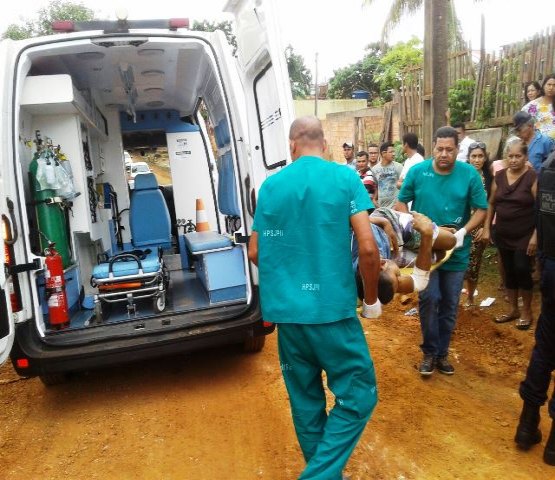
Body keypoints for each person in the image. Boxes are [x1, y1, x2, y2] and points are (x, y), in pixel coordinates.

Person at [248, 116, 381, 479]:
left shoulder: (272, 187)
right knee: (359, 395)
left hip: (290, 320)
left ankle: (324, 473)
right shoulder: (344, 178)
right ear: (324, 145)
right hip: (333, 315)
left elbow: (255, 251)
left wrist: (290, 270)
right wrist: (371, 301)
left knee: (306, 402)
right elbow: (368, 250)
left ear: (292, 146)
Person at [396, 126, 488, 376]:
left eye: (449, 149)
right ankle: (428, 352)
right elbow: (401, 201)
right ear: (433, 147)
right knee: (428, 299)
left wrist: (462, 232)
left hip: (456, 251)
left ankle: (442, 354)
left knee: (449, 305)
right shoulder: (418, 171)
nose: (444, 154)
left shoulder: (469, 175)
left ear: (457, 150)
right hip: (426, 252)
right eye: (439, 149)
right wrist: (410, 225)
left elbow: (481, 208)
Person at [514, 149, 555, 466]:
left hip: (551, 268)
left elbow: (544, 219)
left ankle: (526, 427)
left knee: (545, 346)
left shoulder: (549, 165)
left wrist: (542, 263)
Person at [482, 139, 537, 330]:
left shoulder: (532, 177)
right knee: (509, 271)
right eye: (511, 156)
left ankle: (527, 311)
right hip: (503, 233)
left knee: (522, 268)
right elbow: (491, 203)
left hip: (525, 235)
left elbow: (539, 208)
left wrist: (535, 236)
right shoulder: (499, 176)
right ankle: (513, 309)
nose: (514, 160)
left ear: (525, 157)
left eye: (518, 156)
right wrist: (488, 228)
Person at [352, 210, 457, 305]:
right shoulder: (379, 282)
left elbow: (350, 215)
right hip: (393, 252)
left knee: (450, 241)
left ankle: (436, 231)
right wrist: (427, 234)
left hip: (393, 224)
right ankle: (429, 238)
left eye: (397, 276)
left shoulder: (356, 245)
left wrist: (383, 221)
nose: (401, 279)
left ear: (382, 264)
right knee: (438, 255)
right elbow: (419, 282)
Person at [464, 141, 493, 306]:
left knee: (474, 264)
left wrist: (486, 228)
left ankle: (470, 298)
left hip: (478, 228)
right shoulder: (462, 176)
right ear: (468, 158)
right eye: (473, 156)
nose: (477, 159)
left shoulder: (489, 179)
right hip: (460, 226)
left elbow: (489, 205)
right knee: (457, 261)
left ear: (485, 157)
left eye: (480, 156)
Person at [522, 74, 555, 140]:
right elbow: (522, 126)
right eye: (549, 84)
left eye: (554, 85)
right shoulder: (532, 106)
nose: (551, 87)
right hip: (538, 146)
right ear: (543, 86)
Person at [373, 142, 403, 209]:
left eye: (394, 152)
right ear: (383, 153)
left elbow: (403, 186)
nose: (394, 154)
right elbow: (376, 187)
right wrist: (374, 200)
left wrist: (398, 204)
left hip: (395, 207)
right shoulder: (374, 169)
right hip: (381, 207)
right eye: (391, 152)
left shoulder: (398, 167)